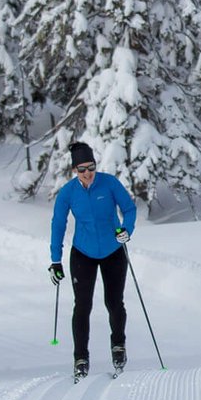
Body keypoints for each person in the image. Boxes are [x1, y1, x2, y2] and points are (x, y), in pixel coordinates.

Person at [47, 142, 138, 379]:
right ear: (75, 170)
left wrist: (127, 230)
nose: (88, 173)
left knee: (114, 302)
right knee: (83, 306)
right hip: (83, 253)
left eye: (91, 167)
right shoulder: (68, 192)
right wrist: (55, 260)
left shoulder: (109, 183)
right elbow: (58, 224)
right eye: (82, 169)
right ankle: (81, 359)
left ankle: (118, 347)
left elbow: (129, 209)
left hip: (113, 251)